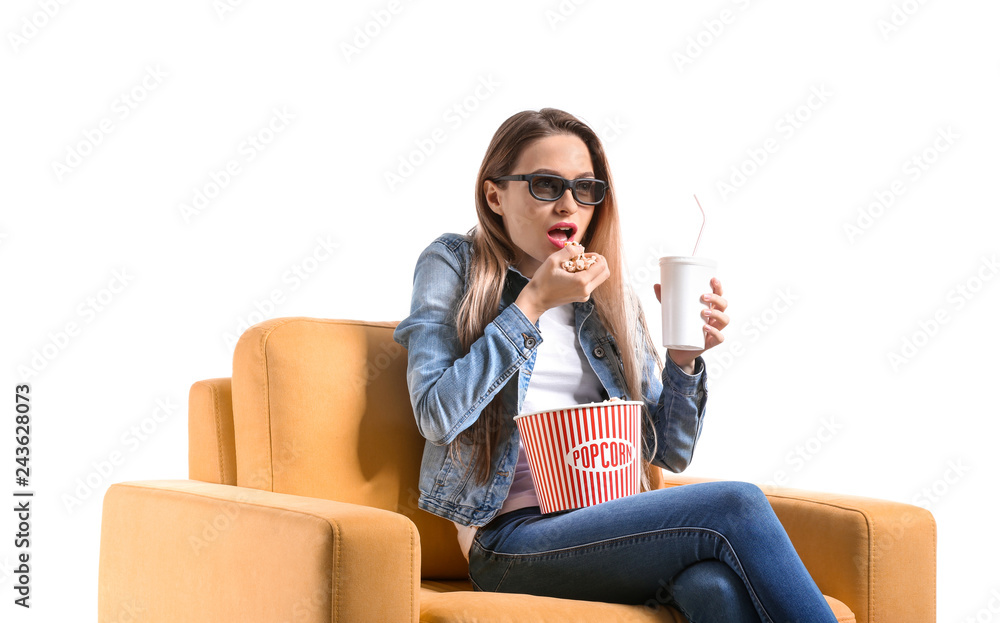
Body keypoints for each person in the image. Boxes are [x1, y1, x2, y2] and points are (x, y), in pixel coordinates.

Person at [393, 108, 838, 622]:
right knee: (736, 505)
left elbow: (668, 453)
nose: (568, 204)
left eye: (585, 188)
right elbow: (436, 414)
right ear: (495, 195)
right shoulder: (454, 264)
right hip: (510, 541)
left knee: (712, 588)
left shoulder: (606, 293)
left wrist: (684, 361)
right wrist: (532, 304)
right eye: (545, 184)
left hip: (610, 521)